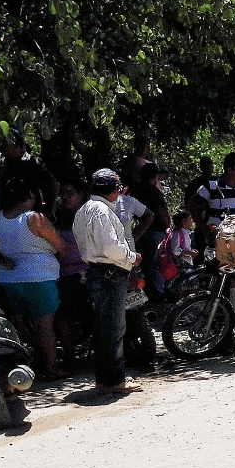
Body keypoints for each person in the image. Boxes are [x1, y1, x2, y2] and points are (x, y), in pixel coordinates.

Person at [0, 180, 68, 380]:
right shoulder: (34, 218)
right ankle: (51, 368)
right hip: (39, 277)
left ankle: (30, 364)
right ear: (27, 197)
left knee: (21, 325)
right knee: (45, 325)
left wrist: (2, 260)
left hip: (8, 280)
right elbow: (60, 245)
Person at [74, 169, 142, 395]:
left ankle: (104, 379)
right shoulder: (102, 211)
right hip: (109, 273)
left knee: (103, 327)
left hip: (96, 272)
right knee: (114, 328)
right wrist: (132, 257)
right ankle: (114, 380)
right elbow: (110, 248)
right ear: (114, 190)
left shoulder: (84, 210)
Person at [53, 181, 91, 369]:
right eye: (63, 193)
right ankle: (69, 356)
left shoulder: (92, 214)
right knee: (62, 316)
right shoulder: (60, 217)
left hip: (91, 271)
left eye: (69, 192)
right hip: (68, 274)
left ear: (81, 193)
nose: (64, 197)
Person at [0, 128, 59, 219]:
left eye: (6, 146)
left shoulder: (33, 163)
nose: (3, 150)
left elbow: (54, 184)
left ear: (16, 146)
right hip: (10, 214)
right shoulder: (5, 165)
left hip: (34, 213)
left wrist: (49, 210)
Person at [133, 163, 171, 299]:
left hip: (143, 232)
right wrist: (167, 227)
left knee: (148, 263)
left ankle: (149, 292)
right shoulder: (151, 191)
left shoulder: (137, 190)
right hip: (155, 231)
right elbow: (160, 211)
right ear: (155, 176)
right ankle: (157, 293)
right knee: (156, 263)